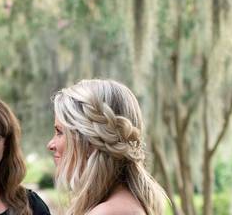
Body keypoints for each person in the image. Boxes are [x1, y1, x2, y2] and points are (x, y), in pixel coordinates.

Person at [47, 79, 167, 215]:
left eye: (60, 132)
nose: (50, 145)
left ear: (89, 140)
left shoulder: (110, 211)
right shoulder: (123, 203)